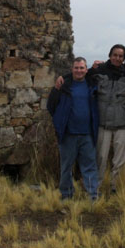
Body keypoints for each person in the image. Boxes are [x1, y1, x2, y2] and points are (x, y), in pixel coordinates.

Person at [47, 57, 100, 200]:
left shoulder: (91, 84)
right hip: (68, 134)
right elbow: (51, 106)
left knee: (89, 167)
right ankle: (66, 195)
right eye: (76, 68)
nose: (79, 70)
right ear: (72, 69)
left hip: (87, 134)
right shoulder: (64, 86)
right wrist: (60, 122)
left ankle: (92, 196)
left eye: (82, 68)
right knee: (66, 167)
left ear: (86, 70)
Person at [90, 44, 125, 192]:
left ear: (124, 58)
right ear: (110, 55)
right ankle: (97, 186)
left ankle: (116, 188)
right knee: (100, 158)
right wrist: (63, 78)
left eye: (120, 56)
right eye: (115, 55)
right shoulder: (99, 70)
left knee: (119, 160)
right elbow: (81, 76)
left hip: (122, 123)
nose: (117, 58)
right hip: (103, 123)